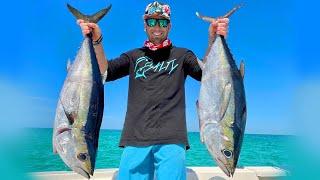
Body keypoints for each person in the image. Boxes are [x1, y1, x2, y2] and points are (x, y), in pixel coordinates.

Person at [77, 1, 229, 179]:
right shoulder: (133, 56)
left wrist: (213, 39)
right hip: (135, 137)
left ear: (169, 26)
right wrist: (96, 40)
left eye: (163, 22)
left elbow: (209, 76)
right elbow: (105, 72)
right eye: (152, 22)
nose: (157, 27)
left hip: (172, 139)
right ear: (145, 26)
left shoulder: (183, 55)